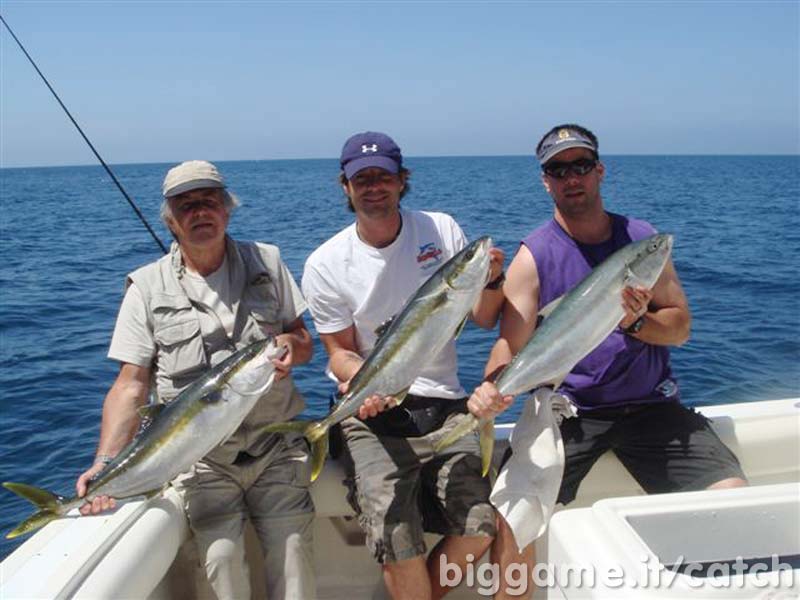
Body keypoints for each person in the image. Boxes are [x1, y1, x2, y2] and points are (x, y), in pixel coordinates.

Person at [468, 124, 748, 599]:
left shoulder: (640, 239)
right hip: (570, 413)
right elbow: (510, 345)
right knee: (511, 522)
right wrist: (491, 388)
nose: (571, 177)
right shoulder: (533, 255)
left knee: (733, 500)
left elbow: (680, 328)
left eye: (580, 165)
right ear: (546, 182)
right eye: (558, 170)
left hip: (651, 408)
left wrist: (636, 322)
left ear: (599, 170)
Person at [74, 160, 316, 600]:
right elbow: (131, 384)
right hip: (201, 462)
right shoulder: (146, 287)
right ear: (170, 221)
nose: (200, 212)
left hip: (276, 447)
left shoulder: (267, 261)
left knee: (294, 551)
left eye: (209, 201)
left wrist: (289, 347)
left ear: (227, 209)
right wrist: (106, 463)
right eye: (186, 206)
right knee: (222, 560)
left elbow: (303, 341)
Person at [301, 131, 510, 600]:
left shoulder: (441, 229)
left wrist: (492, 279)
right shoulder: (325, 264)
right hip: (372, 416)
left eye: (383, 177)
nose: (373, 187)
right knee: (396, 537)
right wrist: (360, 382)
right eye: (362, 179)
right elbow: (338, 352)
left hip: (447, 406)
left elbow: (481, 316)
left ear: (402, 181)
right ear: (346, 187)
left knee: (480, 526)